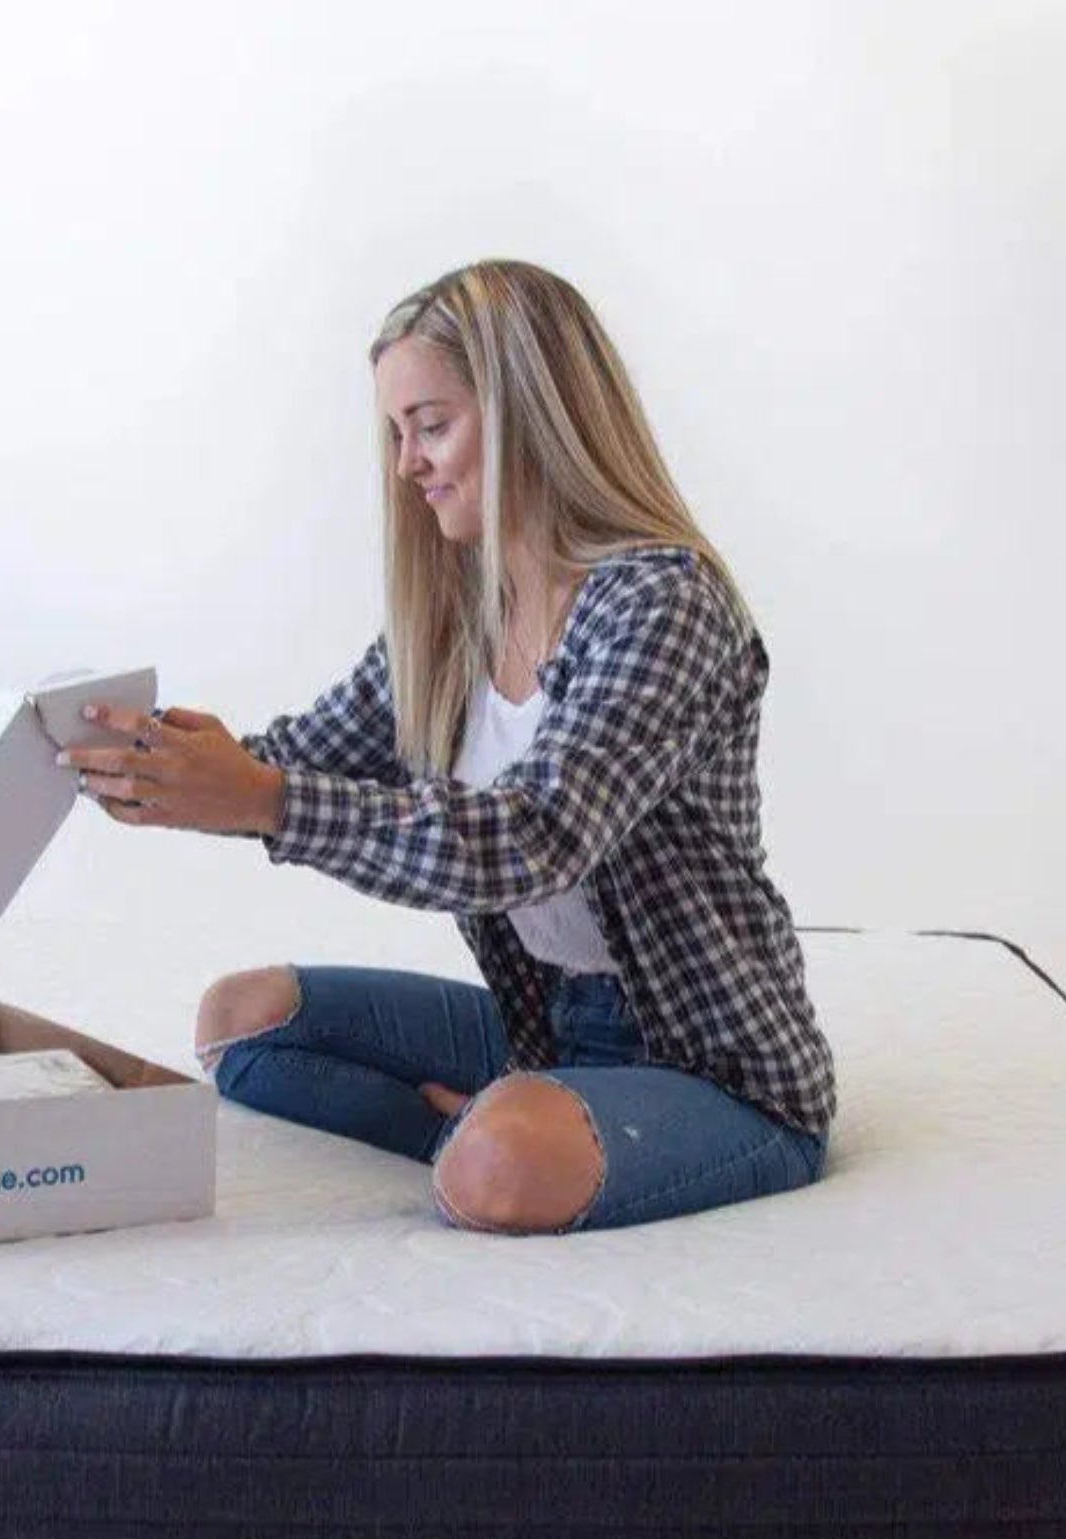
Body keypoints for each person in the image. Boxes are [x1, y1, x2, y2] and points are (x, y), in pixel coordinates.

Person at [56, 258, 835, 1234]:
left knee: (498, 1167)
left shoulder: (662, 602)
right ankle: (503, 1125)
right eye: (394, 433)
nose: (405, 464)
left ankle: (502, 1137)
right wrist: (106, 756)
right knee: (241, 1020)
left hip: (709, 1057)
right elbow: (299, 757)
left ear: (534, 414)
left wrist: (261, 798)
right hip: (542, 1027)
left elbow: (533, 836)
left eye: (430, 424)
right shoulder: (458, 623)